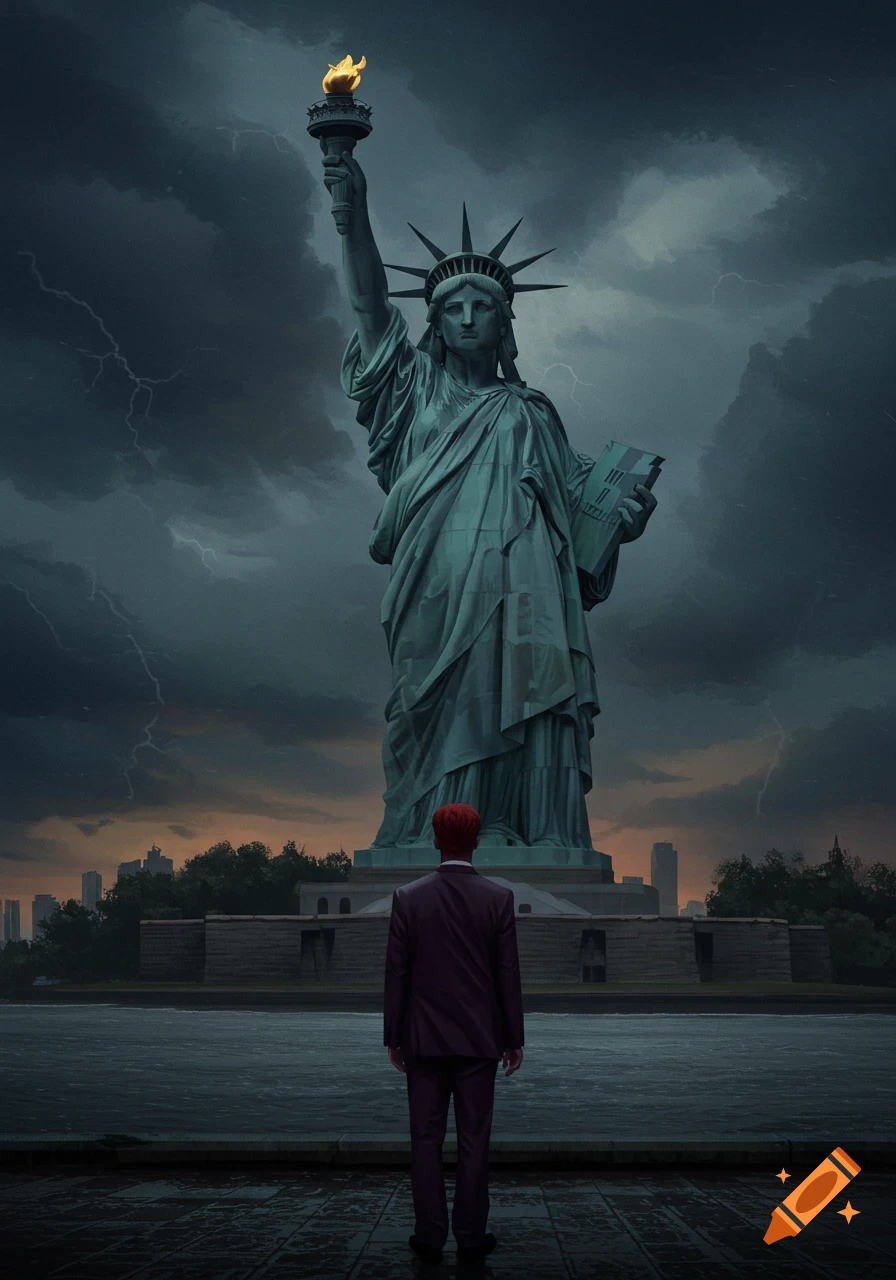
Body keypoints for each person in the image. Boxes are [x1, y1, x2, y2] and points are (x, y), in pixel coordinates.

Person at [322, 150, 657, 856]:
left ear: (505, 325)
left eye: (484, 308)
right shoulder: (412, 393)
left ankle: (524, 828)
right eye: (453, 309)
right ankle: (435, 834)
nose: (469, 317)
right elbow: (369, 307)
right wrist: (350, 214)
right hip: (439, 581)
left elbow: (578, 516)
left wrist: (623, 522)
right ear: (435, 326)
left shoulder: (532, 411)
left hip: (527, 585)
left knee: (529, 697)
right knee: (441, 700)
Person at [383, 802, 524, 1265]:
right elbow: (507, 975)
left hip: (423, 1039)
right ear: (477, 840)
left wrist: (393, 1037)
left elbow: (397, 974)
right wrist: (514, 1038)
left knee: (424, 1140)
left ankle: (428, 1235)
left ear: (436, 840)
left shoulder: (408, 897)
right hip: (479, 1040)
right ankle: (469, 1234)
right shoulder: (498, 899)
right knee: (474, 1139)